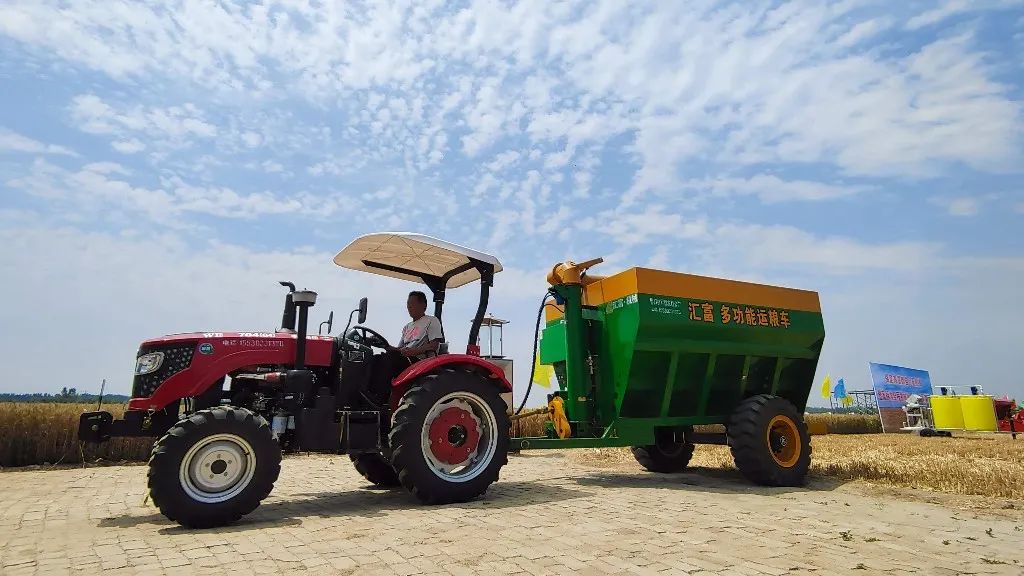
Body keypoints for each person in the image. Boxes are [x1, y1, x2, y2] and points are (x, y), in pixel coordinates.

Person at [367, 291, 444, 402]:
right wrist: (384, 345)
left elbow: (433, 345)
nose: (409, 307)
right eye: (408, 304)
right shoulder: (407, 327)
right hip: (405, 358)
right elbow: (399, 349)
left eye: (412, 303)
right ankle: (368, 393)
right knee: (376, 359)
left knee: (388, 359)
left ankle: (380, 397)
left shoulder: (431, 320)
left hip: (420, 361)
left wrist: (414, 351)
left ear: (423, 305)